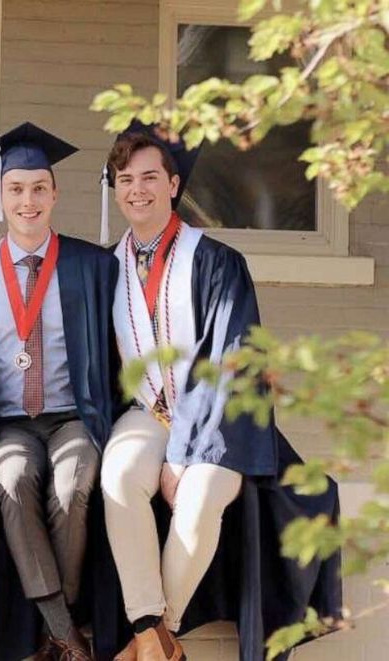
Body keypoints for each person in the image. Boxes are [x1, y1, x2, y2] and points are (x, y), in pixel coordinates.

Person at [100, 122, 342, 661]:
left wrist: (186, 454)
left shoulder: (216, 261)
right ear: (115, 188)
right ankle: (153, 639)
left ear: (173, 184)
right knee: (118, 475)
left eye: (148, 177)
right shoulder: (104, 267)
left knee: (202, 496)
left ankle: (151, 639)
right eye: (124, 179)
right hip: (144, 412)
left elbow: (235, 362)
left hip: (212, 420)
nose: (136, 189)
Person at [0, 122, 121, 661]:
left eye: (37, 189)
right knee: (11, 476)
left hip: (72, 414)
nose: (27, 201)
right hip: (9, 422)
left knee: (74, 482)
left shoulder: (91, 265)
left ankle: (57, 629)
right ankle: (67, 632)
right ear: (0, 195)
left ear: (54, 194)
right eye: (15, 189)